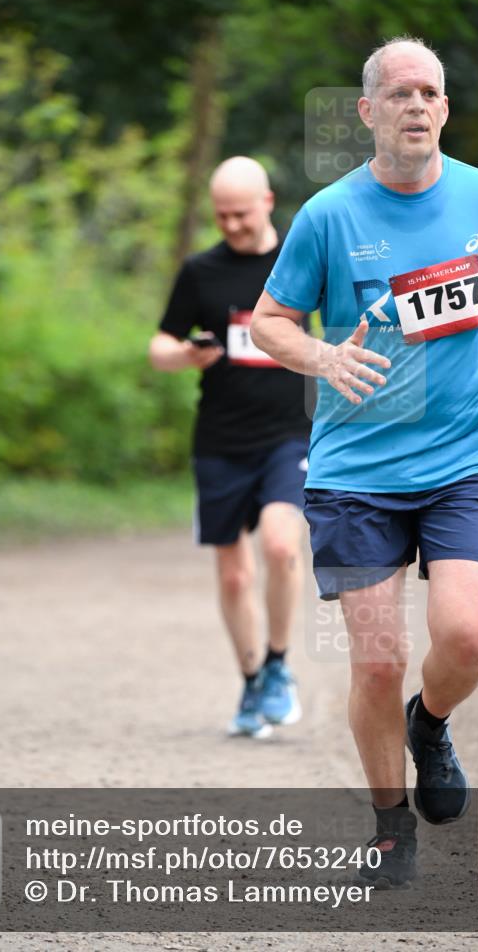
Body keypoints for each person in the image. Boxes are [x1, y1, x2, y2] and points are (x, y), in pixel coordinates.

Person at [251, 37, 478, 887]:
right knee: (377, 658)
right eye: (399, 94)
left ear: (443, 110)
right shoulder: (328, 215)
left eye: (429, 92)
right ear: (367, 112)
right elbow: (267, 321)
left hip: (470, 457)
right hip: (357, 469)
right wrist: (319, 358)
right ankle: (391, 824)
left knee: (465, 636)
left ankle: (428, 724)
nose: (417, 106)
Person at [149, 156, 311, 738]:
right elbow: (159, 347)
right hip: (219, 438)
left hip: (287, 432)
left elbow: (337, 322)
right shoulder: (200, 271)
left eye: (241, 213)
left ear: (267, 201)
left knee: (279, 543)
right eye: (221, 216)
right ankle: (249, 686)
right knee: (235, 575)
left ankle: (278, 664)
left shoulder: (299, 256)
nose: (232, 225)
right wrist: (185, 355)